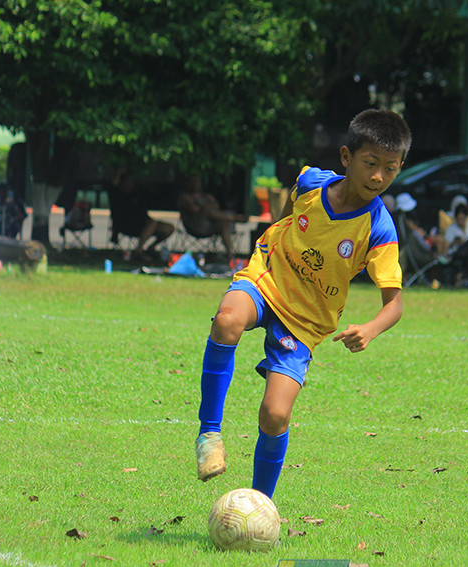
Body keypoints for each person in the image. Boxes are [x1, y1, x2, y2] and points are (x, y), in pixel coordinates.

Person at [193, 109, 411, 500]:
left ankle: (262, 505)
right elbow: (287, 217)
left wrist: (370, 328)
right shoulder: (311, 181)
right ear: (346, 158)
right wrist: (273, 240)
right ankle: (209, 434)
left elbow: (394, 305)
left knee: (275, 414)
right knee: (227, 320)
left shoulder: (379, 227)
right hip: (268, 279)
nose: (379, 176)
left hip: (307, 321)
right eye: (371, 164)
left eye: (390, 169)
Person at [178, 174, 247, 266]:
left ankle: (230, 256)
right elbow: (195, 209)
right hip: (195, 226)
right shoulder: (185, 197)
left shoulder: (206, 196)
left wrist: (207, 205)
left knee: (224, 224)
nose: (196, 184)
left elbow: (216, 206)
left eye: (197, 182)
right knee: (207, 209)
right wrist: (206, 206)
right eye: (193, 182)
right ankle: (233, 217)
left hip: (209, 225)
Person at [108, 170, 174, 259]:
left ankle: (151, 248)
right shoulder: (116, 195)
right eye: (126, 182)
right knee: (152, 223)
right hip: (127, 225)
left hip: (144, 225)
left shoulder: (137, 194)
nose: (129, 185)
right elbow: (113, 184)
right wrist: (119, 171)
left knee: (169, 228)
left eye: (131, 182)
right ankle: (138, 251)